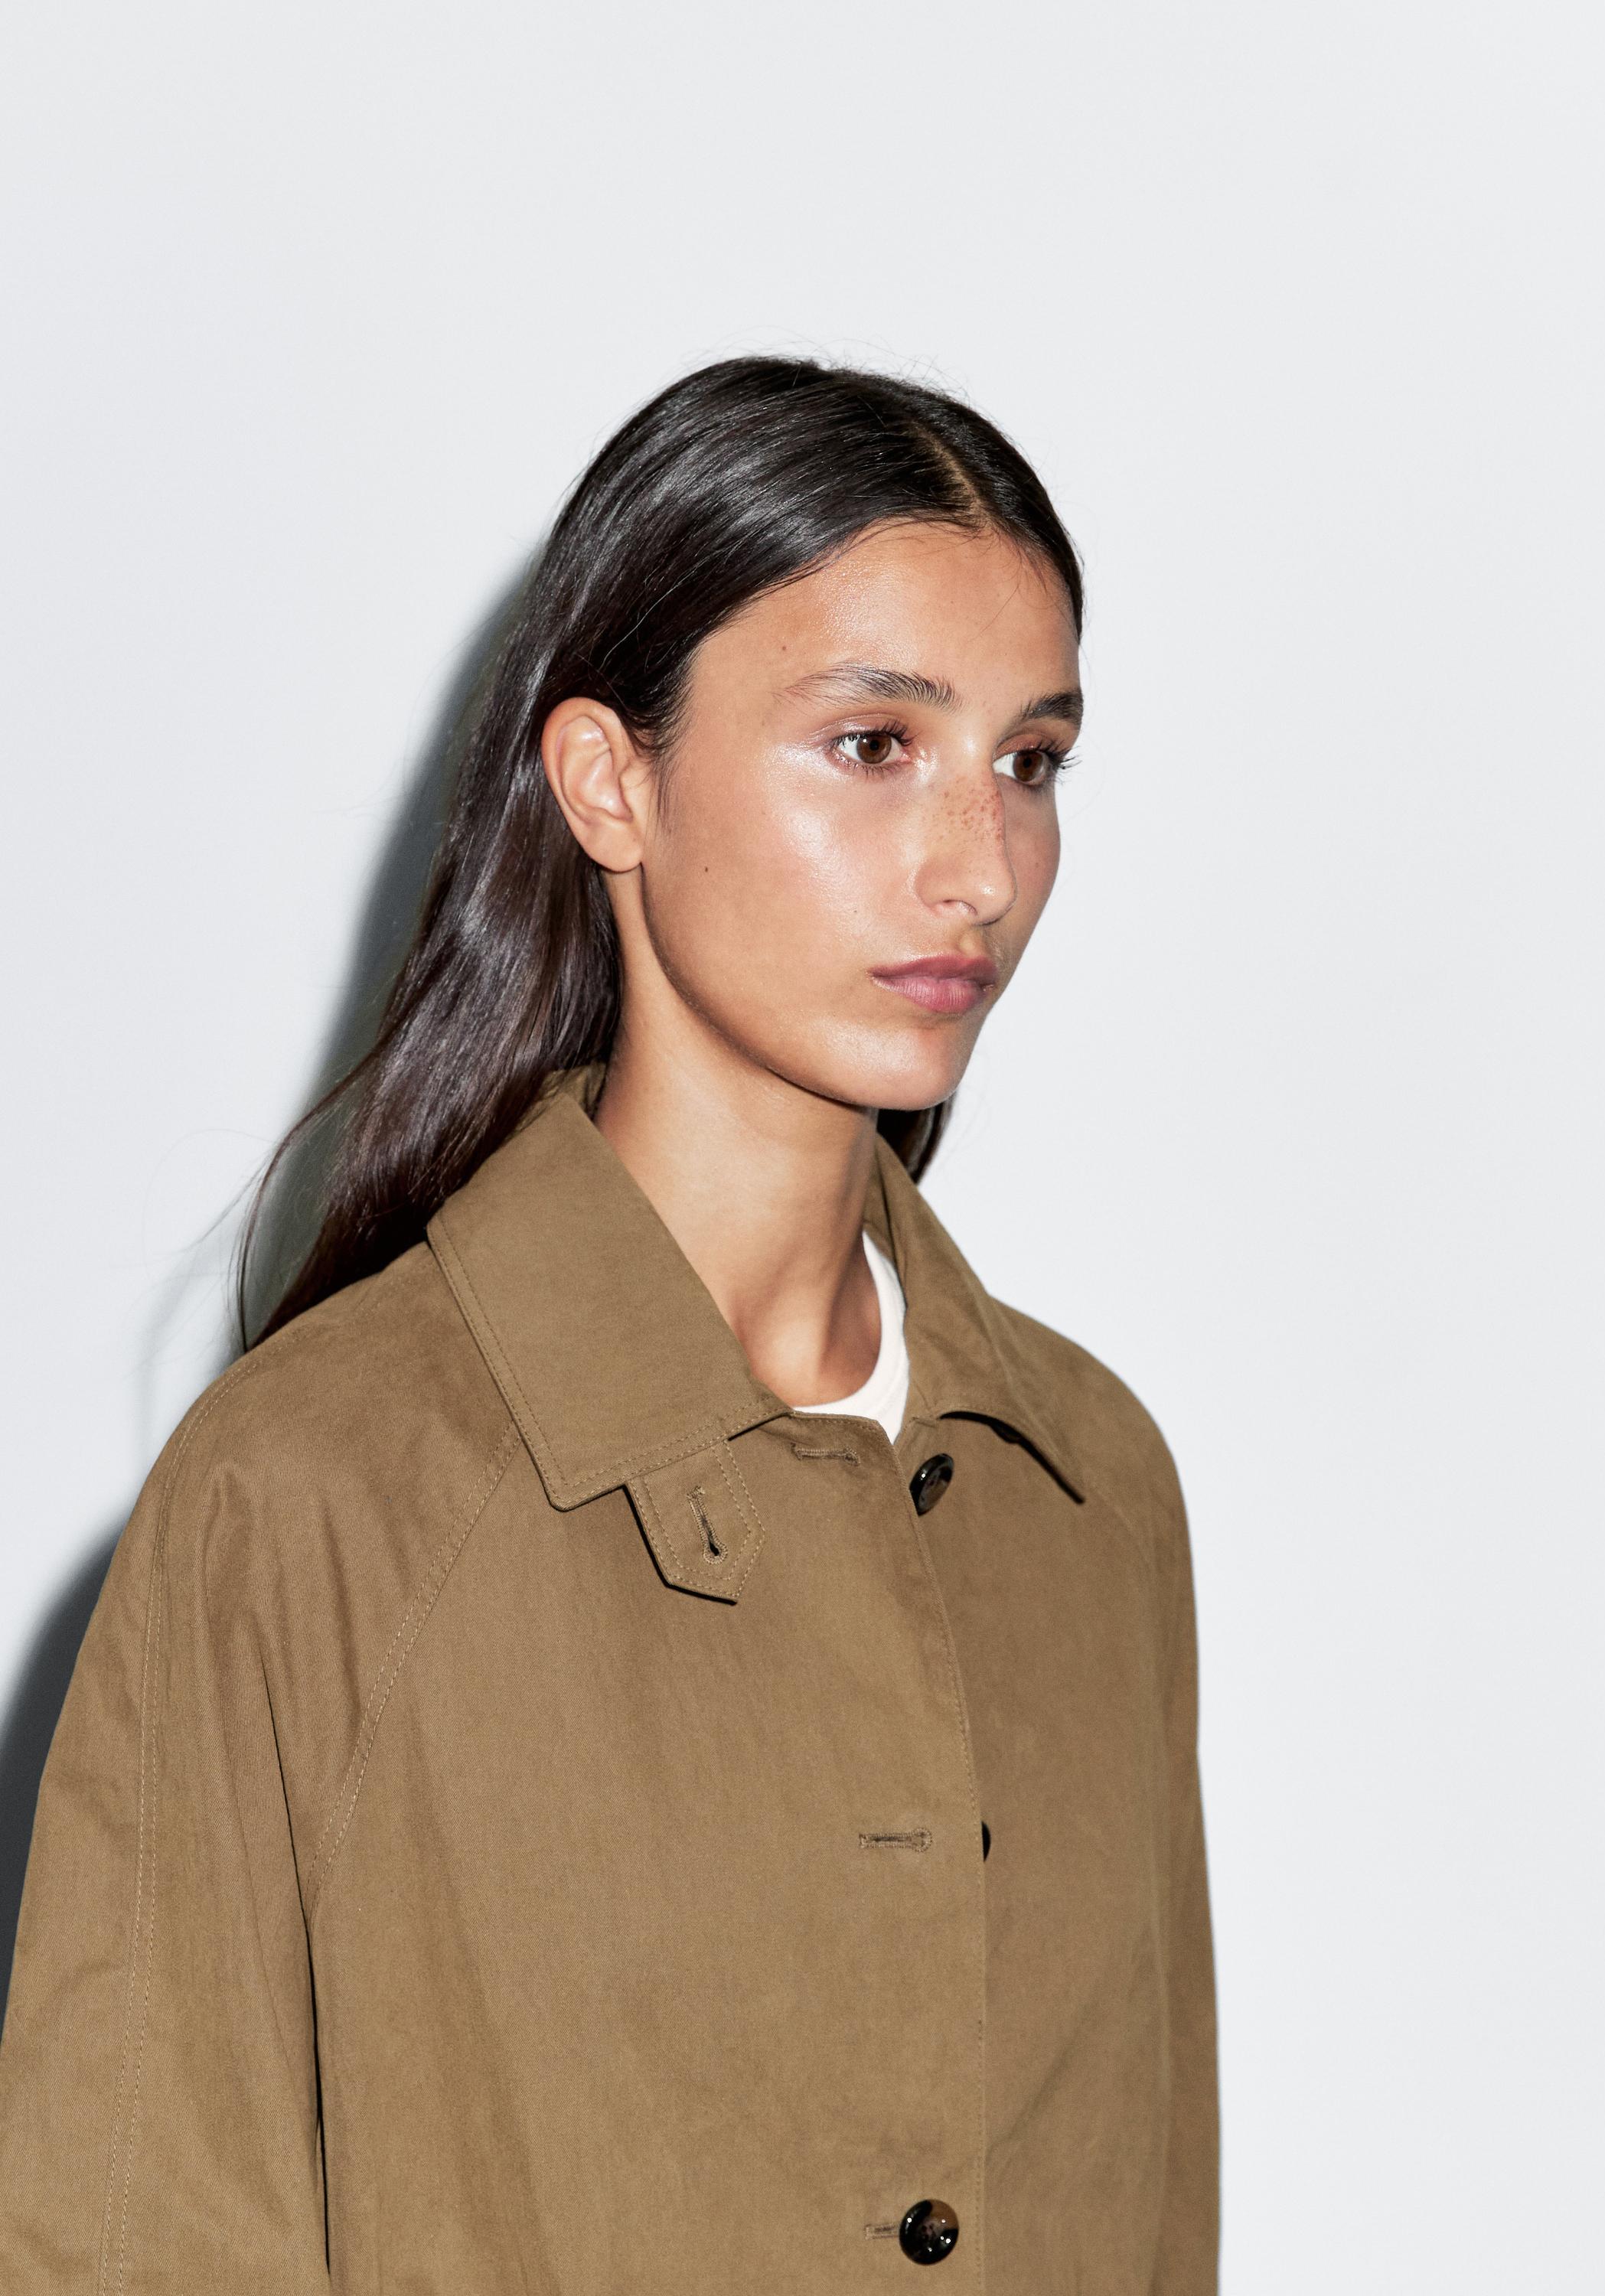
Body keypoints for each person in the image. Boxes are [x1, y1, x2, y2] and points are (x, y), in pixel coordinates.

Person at [0, 358, 1218, 2291]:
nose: (981, 869)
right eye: (874, 744)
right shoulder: (310, 1501)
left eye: (1030, 763)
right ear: (607, 781)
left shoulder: (1089, 1493)